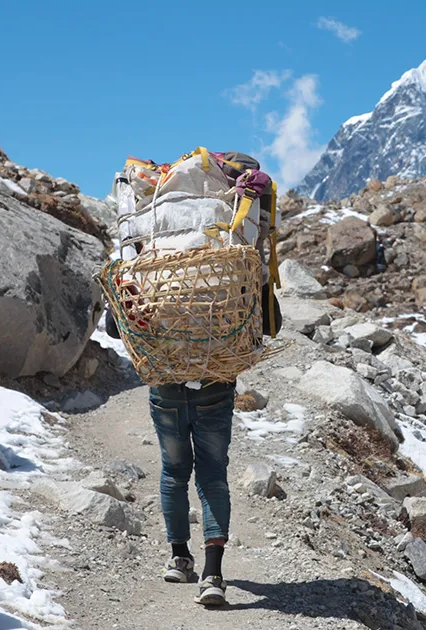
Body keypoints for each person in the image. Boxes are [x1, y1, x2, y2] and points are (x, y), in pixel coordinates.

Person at [105, 150, 281, 606]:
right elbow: (263, 320)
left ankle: (178, 558)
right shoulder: (228, 242)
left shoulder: (144, 246)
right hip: (216, 377)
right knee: (213, 474)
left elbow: (114, 325)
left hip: (165, 377)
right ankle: (214, 576)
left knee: (174, 470)